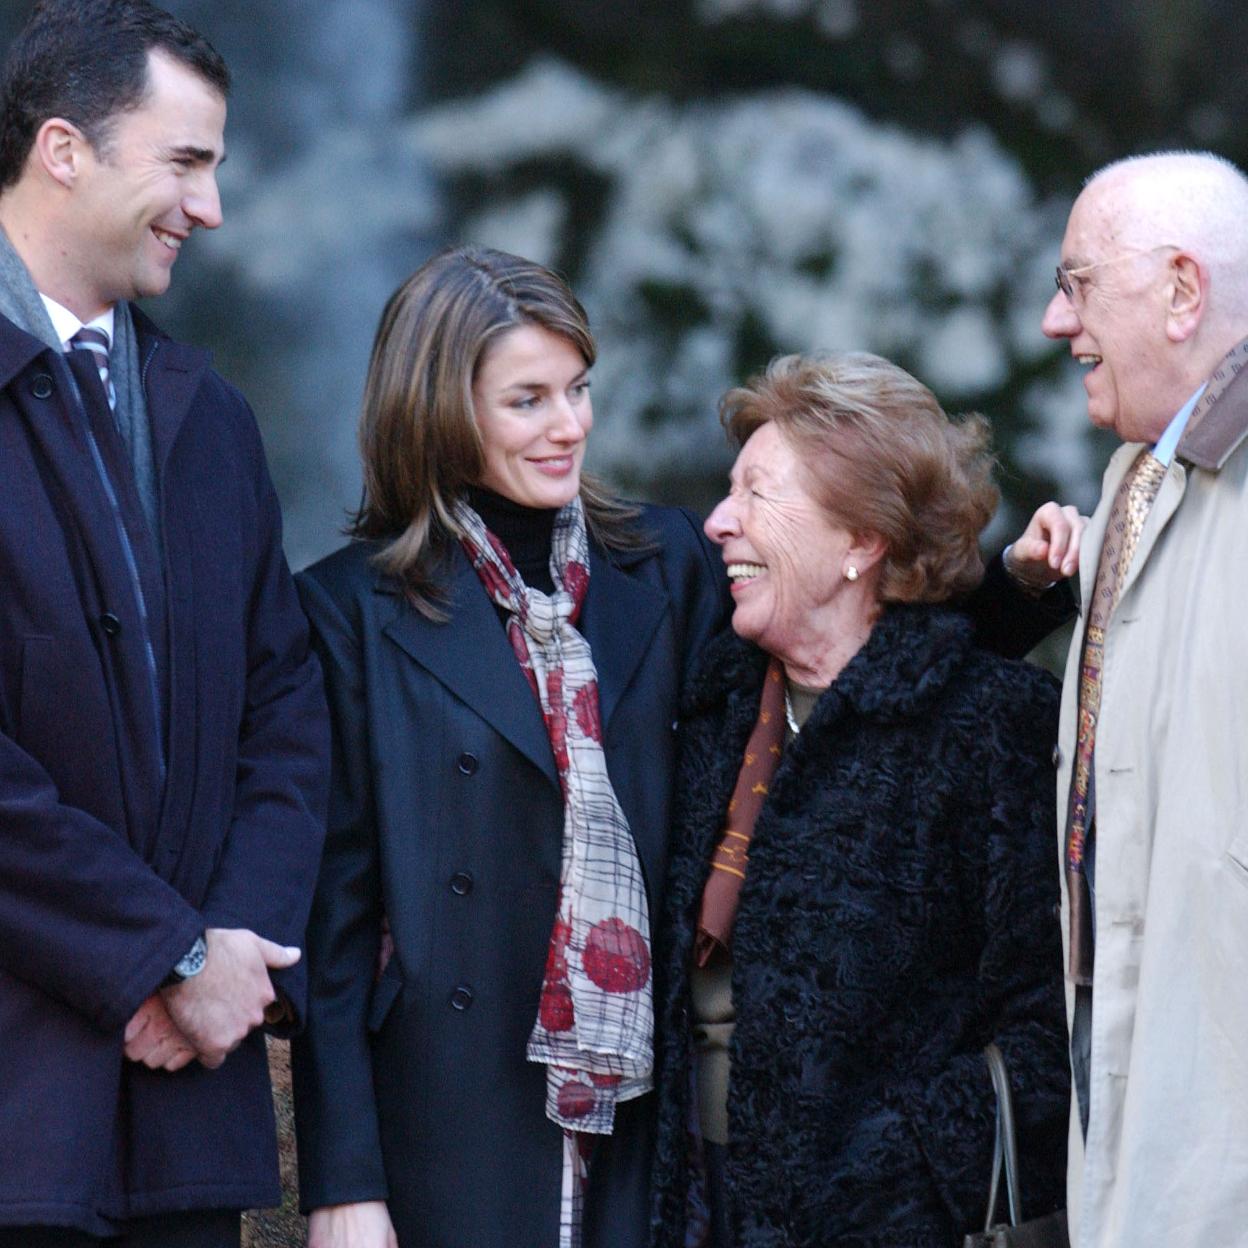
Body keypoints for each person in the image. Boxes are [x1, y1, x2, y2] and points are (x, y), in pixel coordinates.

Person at [291, 246, 1076, 1248]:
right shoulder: (345, 612)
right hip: (449, 1116)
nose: (569, 425)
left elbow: (868, 662)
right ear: (439, 409)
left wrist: (1018, 595)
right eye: (526, 400)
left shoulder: (662, 571)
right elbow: (336, 921)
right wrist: (341, 1182)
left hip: (644, 1145)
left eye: (578, 389)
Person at [0, 3, 328, 1245]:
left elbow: (285, 709)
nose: (212, 208)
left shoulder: (215, 418)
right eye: (185, 162)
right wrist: (163, 958)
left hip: (184, 1123)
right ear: (65, 149)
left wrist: (226, 962)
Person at [650, 352, 1070, 1248]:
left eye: (758, 494)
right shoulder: (717, 702)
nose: (720, 521)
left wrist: (895, 1171)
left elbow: (1055, 1036)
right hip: (695, 1210)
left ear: (860, 541)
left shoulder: (988, 728)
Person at [1039, 151, 1248, 1248]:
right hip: (1138, 1118)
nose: (1050, 319)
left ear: (1181, 291)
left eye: (1078, 284)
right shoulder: (1137, 482)